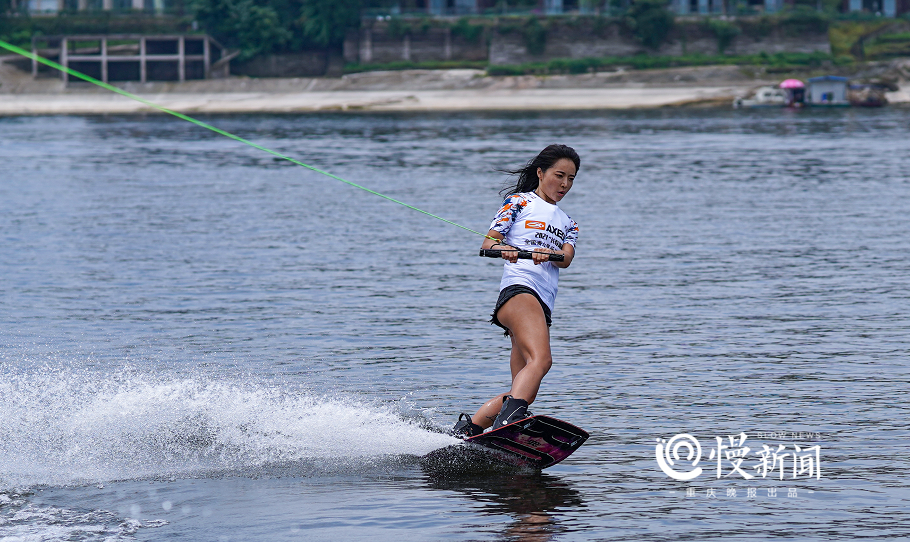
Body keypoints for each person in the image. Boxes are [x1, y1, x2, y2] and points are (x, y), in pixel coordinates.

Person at [452, 144, 580, 438]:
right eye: (559, 175)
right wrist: (507, 249)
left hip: (541, 304)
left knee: (523, 390)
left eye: (571, 178)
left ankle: (468, 431)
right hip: (520, 291)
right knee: (542, 361)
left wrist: (548, 254)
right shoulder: (519, 203)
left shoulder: (569, 223)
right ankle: (508, 423)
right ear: (540, 173)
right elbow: (489, 244)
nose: (564, 184)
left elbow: (566, 258)